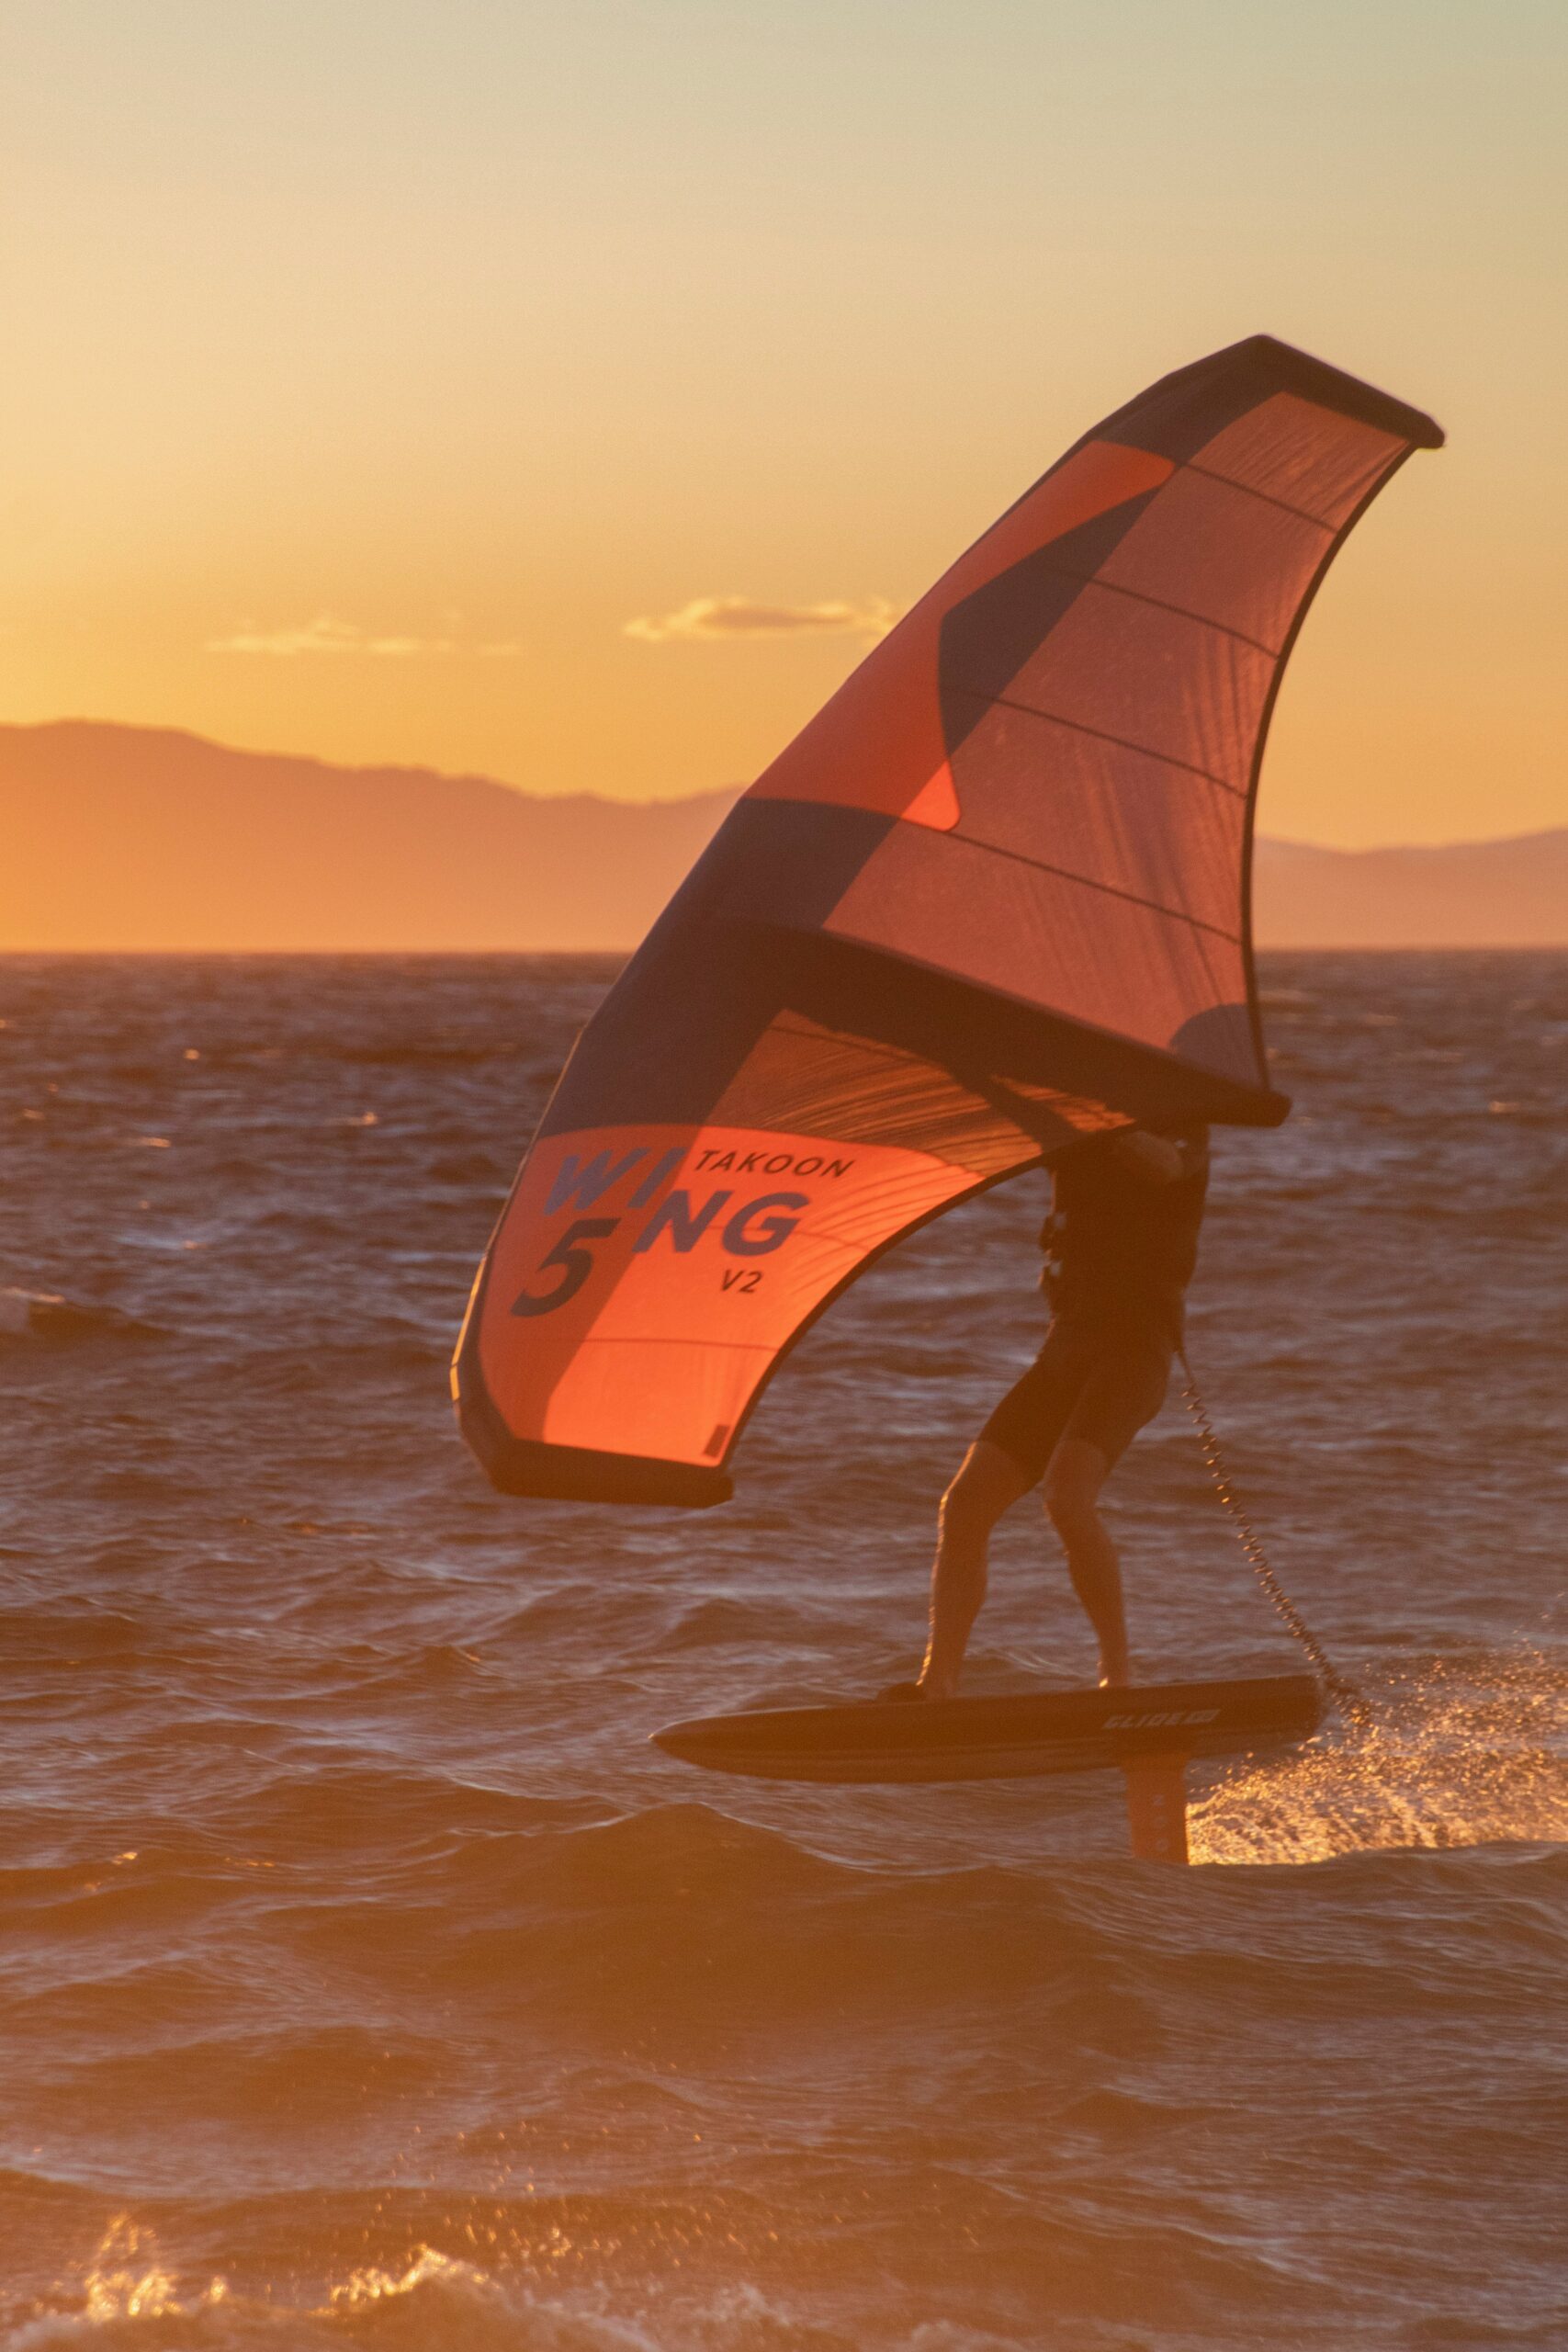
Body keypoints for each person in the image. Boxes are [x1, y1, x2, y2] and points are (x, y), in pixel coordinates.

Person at [890, 1122, 1210, 1700]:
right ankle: (938, 1683)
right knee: (965, 1505)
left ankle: (1117, 1677)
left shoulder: (1177, 1132)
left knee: (1066, 1495)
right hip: (1065, 1350)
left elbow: (1164, 1163)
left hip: (1133, 1352)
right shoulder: (1072, 1145)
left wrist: (1082, 1122)